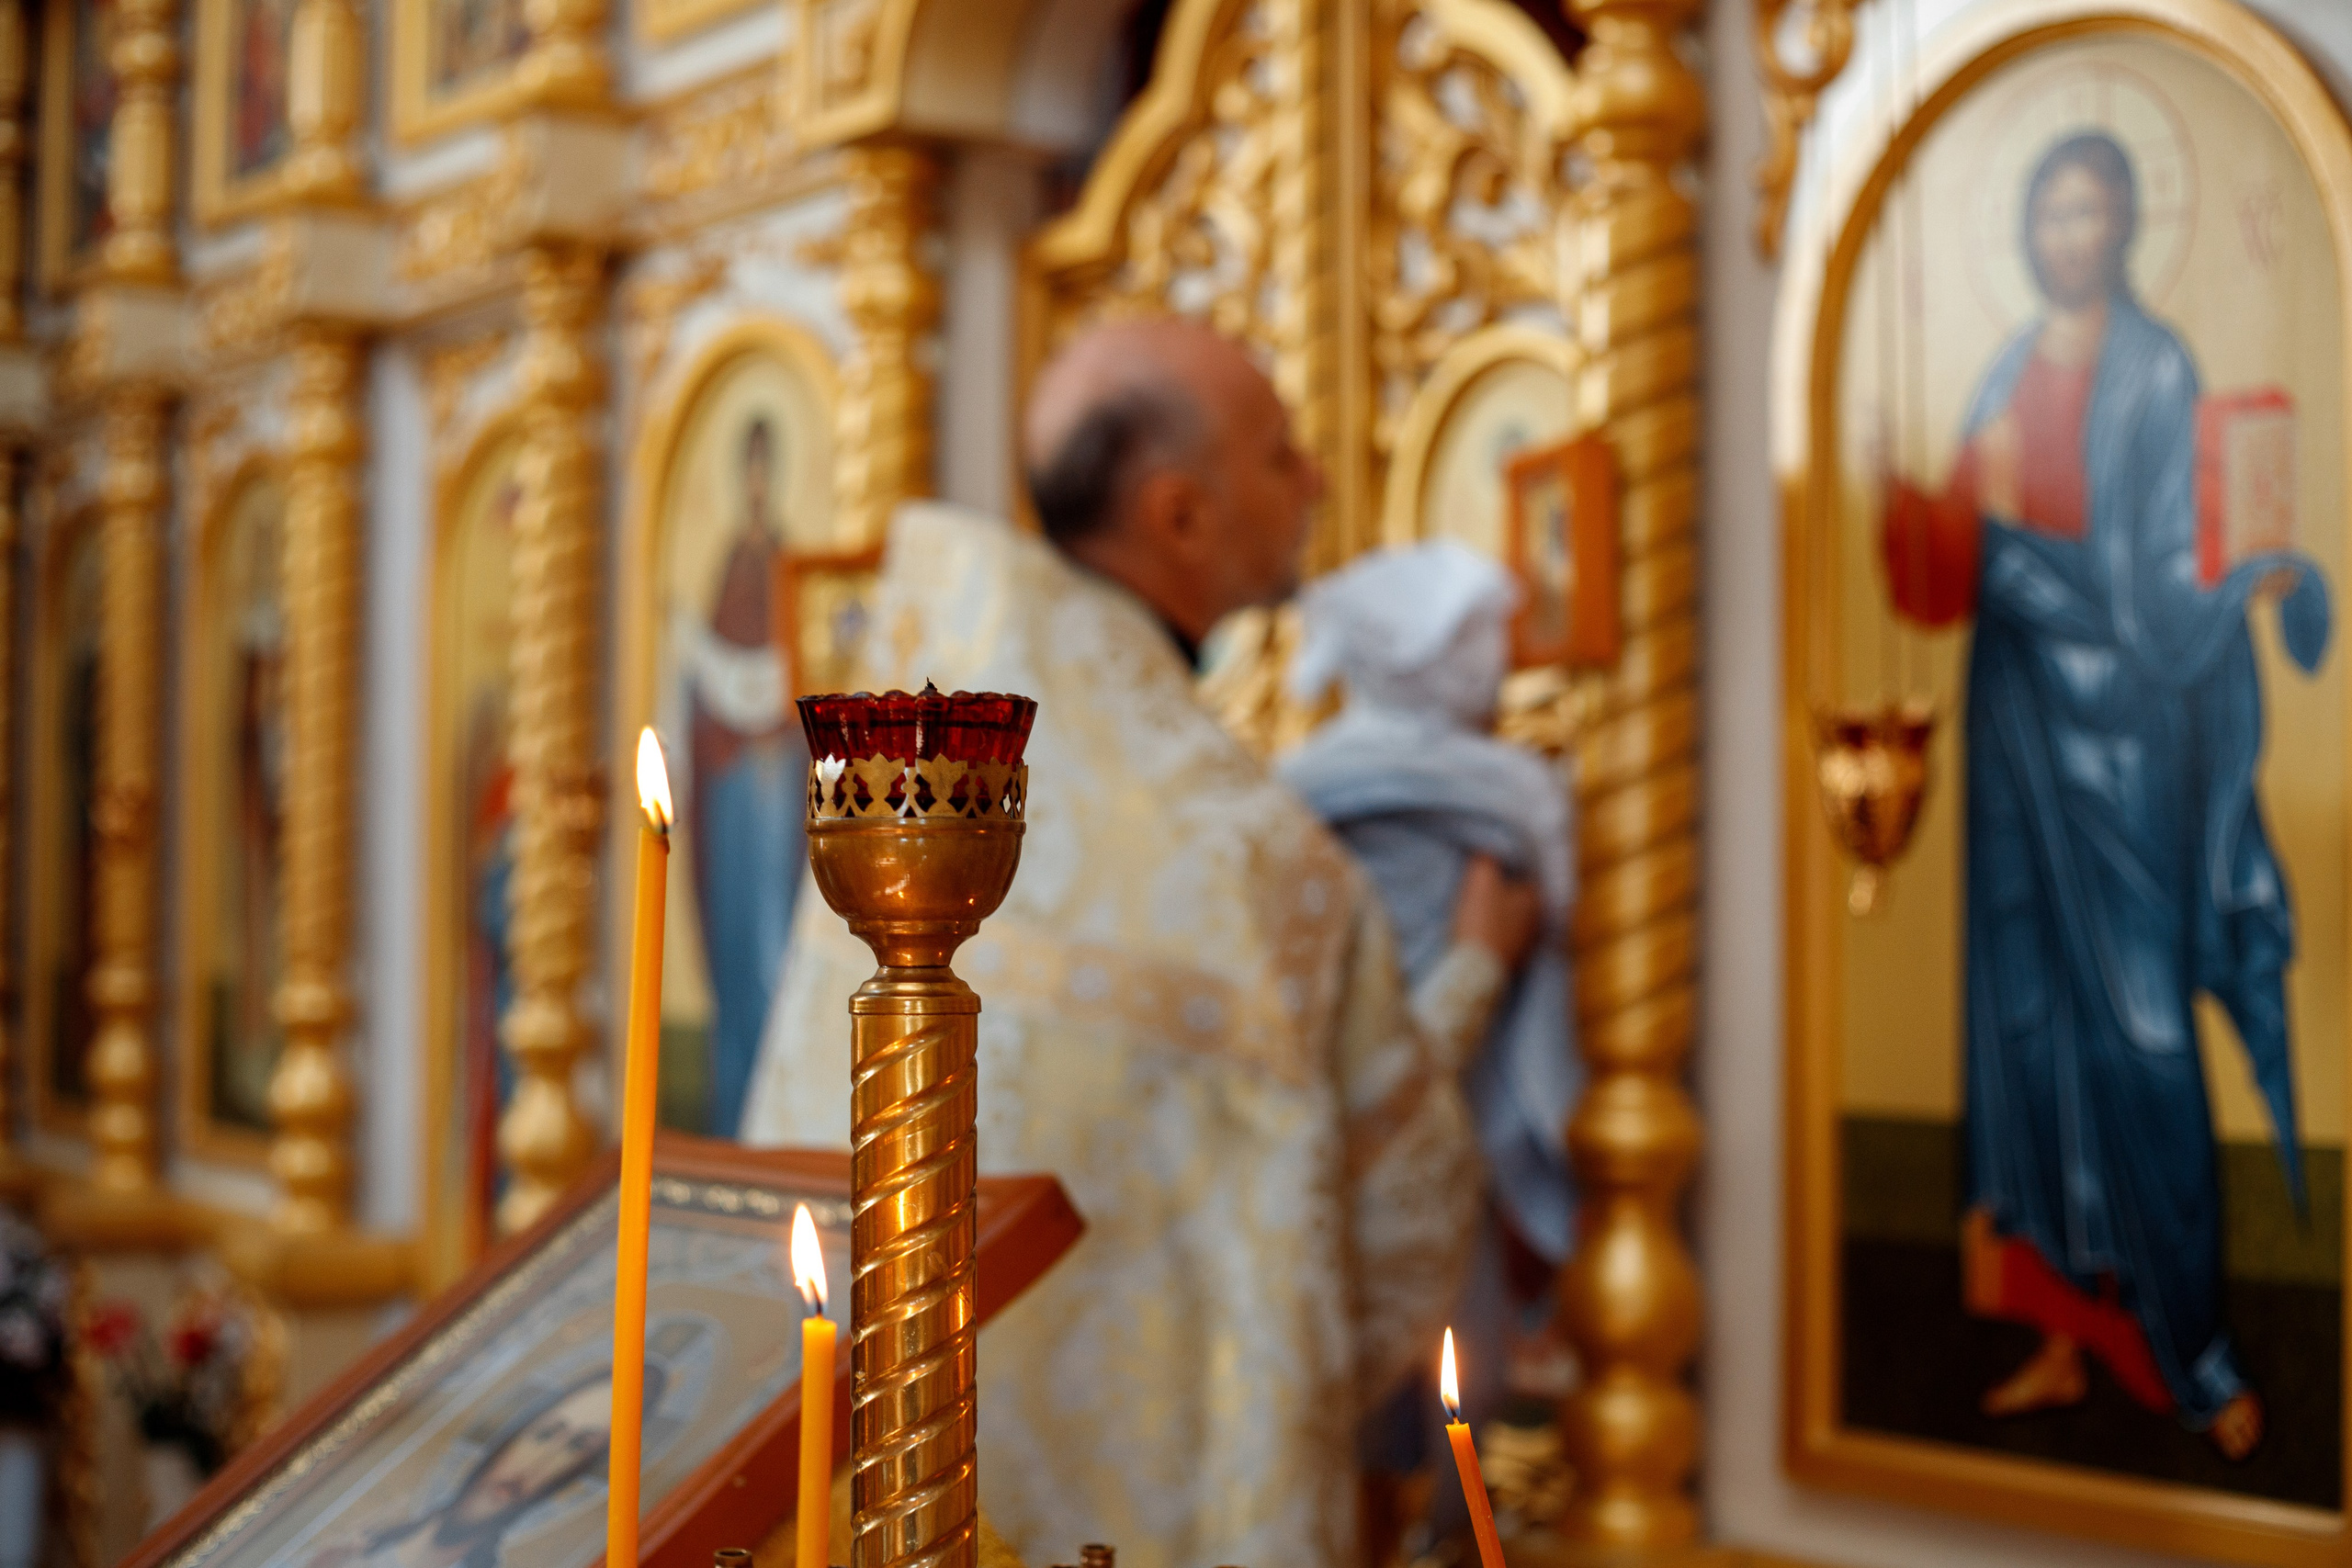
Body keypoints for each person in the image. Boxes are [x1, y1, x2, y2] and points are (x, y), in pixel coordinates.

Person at [743, 316, 1540, 1568]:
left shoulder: (897, 768)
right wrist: (1478, 969)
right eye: (1282, 452)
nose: (1318, 480)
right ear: (1181, 516)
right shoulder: (1248, 856)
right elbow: (1391, 1221)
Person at [1881, 130, 2333, 1460]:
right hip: (2017, 735)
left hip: (2120, 747)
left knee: (2138, 1040)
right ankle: (2058, 1334)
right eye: (2049, 211)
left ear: (2127, 223)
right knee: (2026, 1033)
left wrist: (2248, 575)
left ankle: (2196, 1347)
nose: (2069, 234)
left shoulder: (2155, 367)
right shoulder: (2008, 368)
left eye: (2091, 211)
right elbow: (1945, 566)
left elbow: (2151, 599)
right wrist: (1906, 489)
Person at [1276, 541, 1576, 1554]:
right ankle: (1446, 1539)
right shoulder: (1515, 789)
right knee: (1467, 1365)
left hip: (1328, 1124)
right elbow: (1563, 911)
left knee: (1339, 1356)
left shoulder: (1292, 785)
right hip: (1457, 1105)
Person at [684, 418, 806, 1137]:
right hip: (732, 794)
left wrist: (775, 727)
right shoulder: (730, 564)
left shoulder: (790, 563)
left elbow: (808, 663)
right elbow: (706, 687)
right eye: (749, 466)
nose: (758, 482)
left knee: (773, 948)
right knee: (736, 951)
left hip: (775, 795)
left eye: (768, 465)